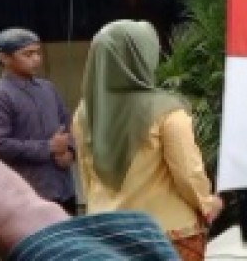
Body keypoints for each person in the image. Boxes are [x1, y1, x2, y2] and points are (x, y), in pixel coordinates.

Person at [73, 20, 223, 261]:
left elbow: (86, 175)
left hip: (107, 233)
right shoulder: (167, 112)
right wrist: (207, 203)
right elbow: (187, 172)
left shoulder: (85, 114)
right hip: (166, 234)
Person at [0, 136, 178, 260]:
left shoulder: (59, 95)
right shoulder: (167, 112)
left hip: (68, 202)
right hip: (160, 220)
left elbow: (74, 141)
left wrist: (68, 152)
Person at [0, 28, 77, 215]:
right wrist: (48, 148)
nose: (36, 59)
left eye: (38, 53)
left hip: (63, 187)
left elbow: (68, 125)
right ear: (5, 58)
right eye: (28, 54)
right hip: (27, 192)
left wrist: (70, 152)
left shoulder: (48, 88)